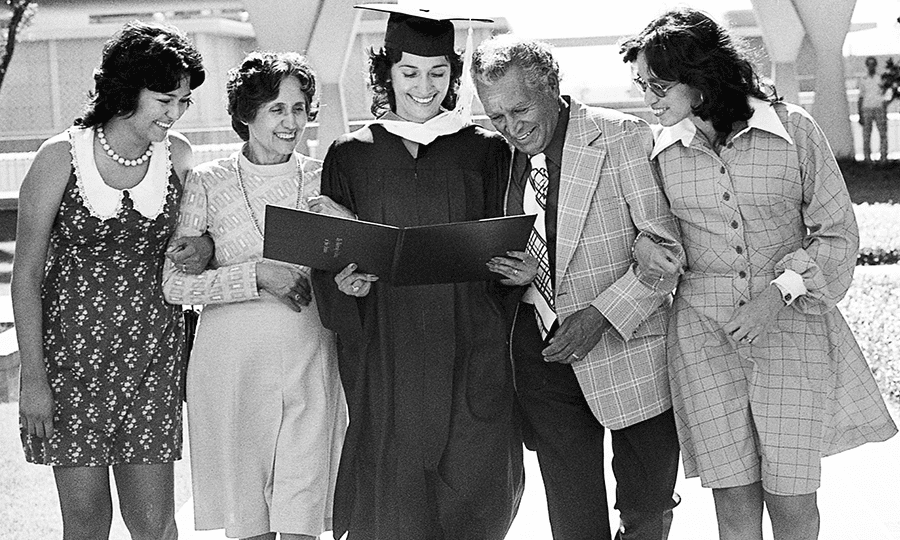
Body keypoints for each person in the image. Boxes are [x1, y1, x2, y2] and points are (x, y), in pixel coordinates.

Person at [621, 8, 898, 540]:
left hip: (791, 332)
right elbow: (646, 229)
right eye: (641, 84)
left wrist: (780, 293)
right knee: (733, 504)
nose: (647, 97)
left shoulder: (794, 130)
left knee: (793, 502)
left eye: (658, 84)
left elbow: (837, 232)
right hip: (703, 342)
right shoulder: (655, 152)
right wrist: (646, 245)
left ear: (700, 77)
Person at [310, 5, 523, 539]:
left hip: (471, 346)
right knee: (395, 509)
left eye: (438, 73)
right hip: (388, 353)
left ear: (453, 75)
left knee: (473, 497)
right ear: (387, 73)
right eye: (408, 72)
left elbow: (517, 241)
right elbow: (328, 257)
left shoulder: (487, 151)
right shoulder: (350, 155)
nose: (423, 87)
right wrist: (342, 283)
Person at [472, 34, 684, 540]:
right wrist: (523, 275)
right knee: (573, 521)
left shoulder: (622, 137)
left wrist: (600, 315)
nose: (511, 127)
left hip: (628, 351)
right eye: (496, 117)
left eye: (519, 109)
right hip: (542, 356)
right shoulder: (502, 156)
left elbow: (667, 249)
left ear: (551, 85)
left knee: (646, 510)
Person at [13, 21, 205, 540]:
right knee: (86, 524)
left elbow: (203, 244)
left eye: (184, 101)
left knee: (155, 526)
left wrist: (202, 248)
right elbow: (26, 275)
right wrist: (34, 380)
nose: (176, 113)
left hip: (152, 363)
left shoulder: (180, 156)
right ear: (126, 90)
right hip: (68, 368)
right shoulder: (60, 157)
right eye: (166, 99)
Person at [161, 51, 347, 540]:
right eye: (276, 109)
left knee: (302, 515)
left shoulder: (325, 176)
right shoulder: (207, 180)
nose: (291, 122)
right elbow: (174, 285)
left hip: (311, 355)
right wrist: (256, 275)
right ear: (246, 113)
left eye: (300, 108)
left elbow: (353, 259)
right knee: (249, 525)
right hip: (231, 364)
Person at [858, 56, 890, 163]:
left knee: (883, 133)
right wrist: (860, 113)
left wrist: (885, 108)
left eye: (873, 64)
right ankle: (867, 158)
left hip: (879, 108)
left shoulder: (880, 78)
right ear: (867, 65)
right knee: (866, 134)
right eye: (869, 64)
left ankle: (884, 157)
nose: (871, 66)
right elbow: (861, 97)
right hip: (866, 108)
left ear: (875, 65)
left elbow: (886, 95)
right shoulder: (863, 79)